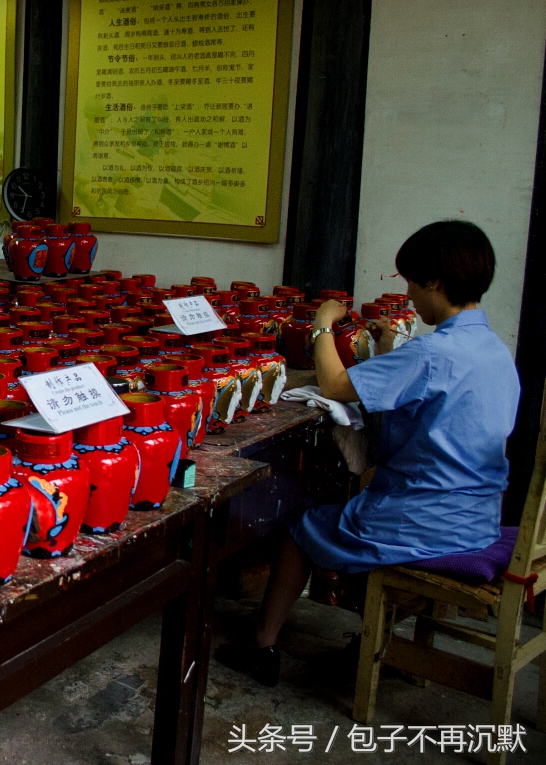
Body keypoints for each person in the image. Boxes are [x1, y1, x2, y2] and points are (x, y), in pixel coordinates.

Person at [217, 220, 518, 686]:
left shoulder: (432, 353)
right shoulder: (495, 350)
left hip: (427, 521)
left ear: (435, 283)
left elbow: (337, 385)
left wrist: (321, 327)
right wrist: (384, 350)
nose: (411, 297)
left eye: (413, 284)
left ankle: (263, 642)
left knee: (301, 525)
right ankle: (376, 643)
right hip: (476, 514)